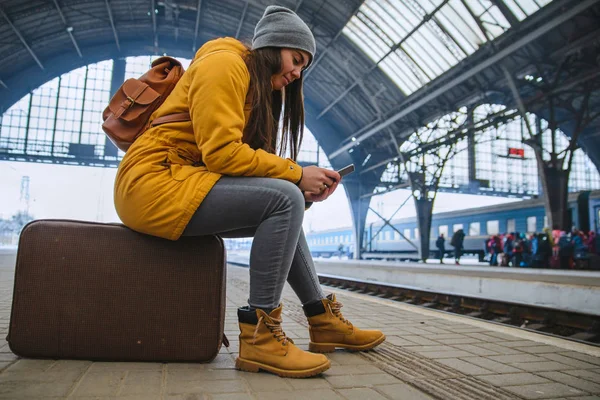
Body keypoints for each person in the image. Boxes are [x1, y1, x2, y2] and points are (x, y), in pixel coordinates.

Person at [113, 6, 384, 378]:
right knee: (284, 197)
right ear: (275, 46)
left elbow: (245, 163)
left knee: (289, 201)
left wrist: (300, 182)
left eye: (304, 67)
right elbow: (222, 153)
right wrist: (295, 174)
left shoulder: (251, 82)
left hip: (179, 180)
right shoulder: (225, 64)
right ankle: (261, 340)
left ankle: (322, 320)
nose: (296, 73)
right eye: (296, 59)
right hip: (153, 182)